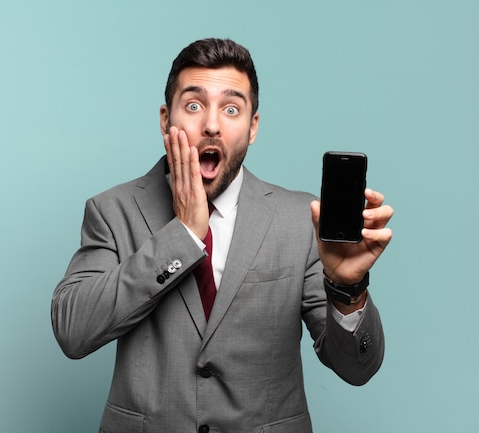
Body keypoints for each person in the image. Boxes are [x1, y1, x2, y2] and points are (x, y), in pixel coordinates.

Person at [51, 38, 393, 433]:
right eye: (193, 105)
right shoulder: (113, 210)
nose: (211, 124)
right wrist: (181, 235)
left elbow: (356, 368)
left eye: (231, 109)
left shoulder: (301, 220)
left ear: (252, 127)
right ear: (166, 119)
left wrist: (347, 290)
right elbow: (72, 331)